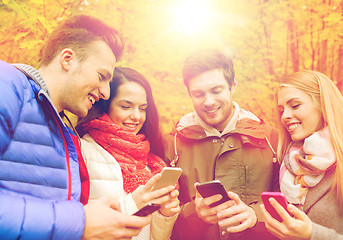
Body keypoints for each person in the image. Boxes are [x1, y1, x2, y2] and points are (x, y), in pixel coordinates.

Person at [0, 15, 151, 239]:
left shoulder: (67, 133)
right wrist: (79, 222)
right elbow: (71, 221)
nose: (105, 93)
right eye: (101, 76)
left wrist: (130, 205)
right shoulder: (8, 83)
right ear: (68, 59)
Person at [164, 49, 279, 239]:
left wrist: (255, 215)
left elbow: (293, 204)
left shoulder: (271, 139)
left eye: (216, 91)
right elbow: (160, 218)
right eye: (198, 94)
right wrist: (194, 212)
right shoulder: (171, 143)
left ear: (232, 85)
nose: (209, 102)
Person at [76, 67, 181, 239]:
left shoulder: (151, 161)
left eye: (143, 108)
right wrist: (134, 203)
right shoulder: (84, 151)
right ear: (106, 106)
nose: (136, 116)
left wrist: (165, 215)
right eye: (126, 106)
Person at [260, 70, 343, 239]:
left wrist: (312, 234)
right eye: (281, 110)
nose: (285, 116)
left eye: (295, 105)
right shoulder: (287, 163)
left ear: (323, 104)